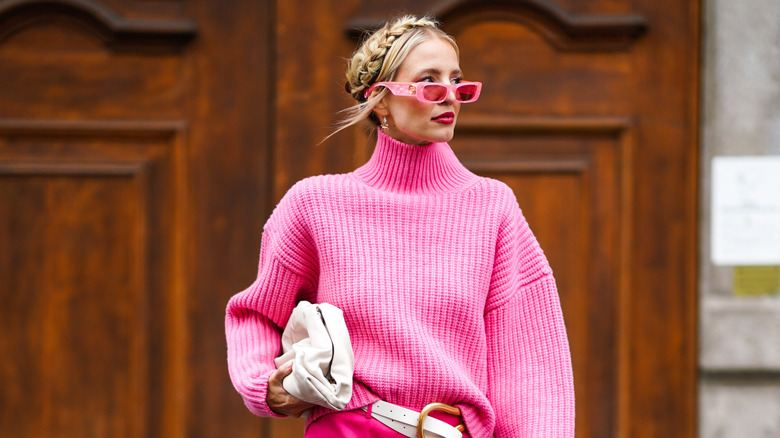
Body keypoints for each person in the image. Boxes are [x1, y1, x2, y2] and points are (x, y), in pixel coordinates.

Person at [225, 15, 575, 438]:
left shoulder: (491, 206)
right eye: (430, 81)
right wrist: (266, 386)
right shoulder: (315, 204)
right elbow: (257, 313)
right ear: (380, 100)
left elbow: (531, 365)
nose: (449, 96)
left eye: (458, 82)